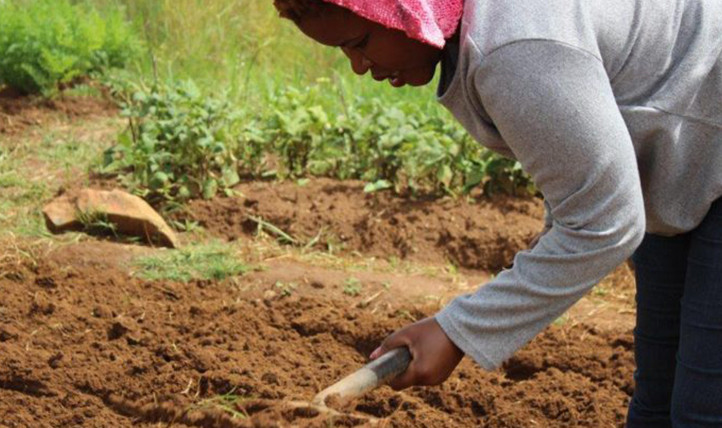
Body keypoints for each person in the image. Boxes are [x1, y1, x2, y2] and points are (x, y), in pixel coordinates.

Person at [272, 0, 722, 426]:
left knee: (702, 410)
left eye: (359, 42)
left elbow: (605, 225)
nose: (358, 66)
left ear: (402, 9)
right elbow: (583, 182)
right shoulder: (492, 34)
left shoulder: (513, 48)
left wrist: (455, 331)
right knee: (658, 404)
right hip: (687, 165)